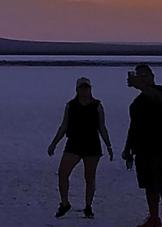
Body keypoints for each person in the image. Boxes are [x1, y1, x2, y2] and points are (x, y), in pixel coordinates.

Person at [47, 77, 114, 219]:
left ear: (90, 89)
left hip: (92, 145)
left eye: (87, 88)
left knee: (89, 177)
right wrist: (54, 143)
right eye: (82, 88)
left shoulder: (97, 105)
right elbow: (64, 126)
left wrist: (108, 145)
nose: (84, 90)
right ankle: (64, 203)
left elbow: (102, 127)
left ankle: (88, 206)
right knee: (63, 173)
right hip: (74, 144)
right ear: (77, 89)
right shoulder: (71, 105)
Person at [121, 64, 162, 227]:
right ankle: (154, 217)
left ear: (152, 76)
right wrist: (127, 148)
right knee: (149, 185)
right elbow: (134, 127)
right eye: (139, 76)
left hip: (161, 147)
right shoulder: (137, 103)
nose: (142, 79)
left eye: (144, 76)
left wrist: (140, 85)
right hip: (142, 148)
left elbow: (159, 98)